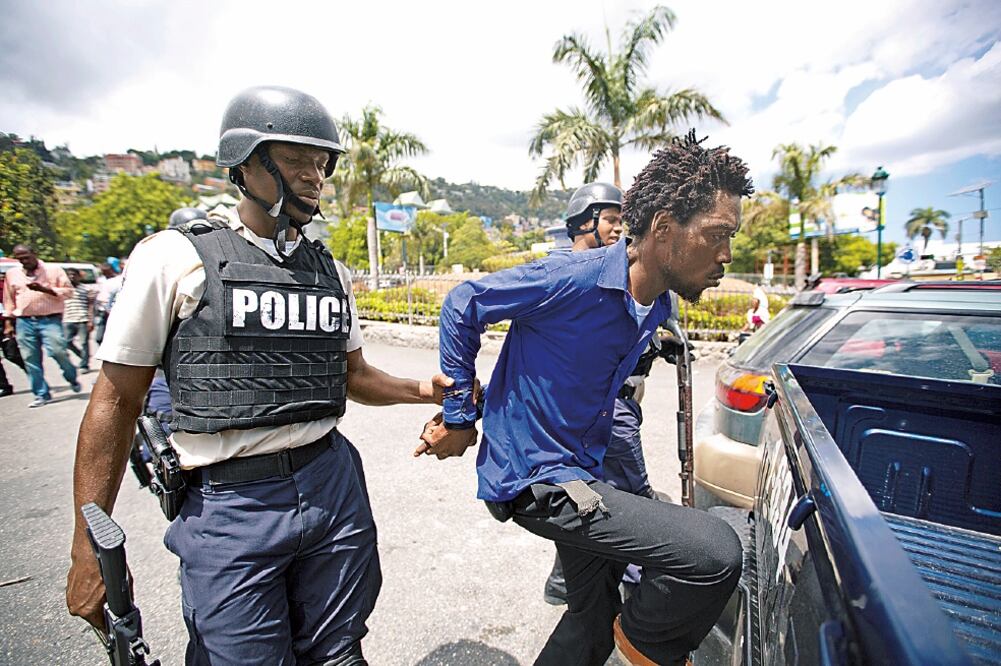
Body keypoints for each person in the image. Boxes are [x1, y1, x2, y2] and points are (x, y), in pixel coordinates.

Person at [66, 85, 457, 666]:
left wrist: (425, 390)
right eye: (295, 160)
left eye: (321, 164)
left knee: (339, 651)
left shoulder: (329, 269)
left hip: (331, 487)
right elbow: (115, 403)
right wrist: (87, 546)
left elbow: (354, 376)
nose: (314, 177)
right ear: (245, 164)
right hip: (230, 504)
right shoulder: (176, 258)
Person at [421, 131, 753, 665]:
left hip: (586, 472)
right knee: (715, 553)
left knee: (590, 620)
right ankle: (642, 648)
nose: (726, 257)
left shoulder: (658, 308)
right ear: (664, 228)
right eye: (717, 235)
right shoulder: (570, 278)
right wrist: (461, 416)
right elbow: (463, 303)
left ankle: (614, 636)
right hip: (538, 480)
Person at [542, 182, 658, 605]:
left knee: (587, 495)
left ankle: (566, 583)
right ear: (583, 223)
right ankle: (634, 590)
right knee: (633, 499)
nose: (617, 229)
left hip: (608, 406)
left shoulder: (616, 272)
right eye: (609, 219)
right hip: (600, 409)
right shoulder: (567, 274)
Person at [2, 244, 80, 407]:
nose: (24, 261)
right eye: (20, 258)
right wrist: (8, 323)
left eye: (27, 257)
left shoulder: (53, 270)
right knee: (30, 358)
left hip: (49, 319)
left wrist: (45, 289)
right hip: (25, 321)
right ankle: (41, 393)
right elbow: (9, 300)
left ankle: (71, 376)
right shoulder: (12, 274)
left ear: (34, 253)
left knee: (58, 351)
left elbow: (69, 292)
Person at [63, 268, 95, 374]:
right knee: (67, 342)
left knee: (84, 342)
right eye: (69, 275)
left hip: (83, 319)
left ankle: (84, 364)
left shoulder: (86, 289)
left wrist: (91, 320)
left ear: (79, 276)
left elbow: (91, 306)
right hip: (68, 319)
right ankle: (82, 355)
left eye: (74, 275)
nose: (71, 277)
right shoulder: (63, 289)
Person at [92, 262, 122, 345]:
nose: (105, 274)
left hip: (113, 312)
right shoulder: (102, 281)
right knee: (99, 338)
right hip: (103, 312)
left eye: (106, 272)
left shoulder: (117, 281)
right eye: (103, 272)